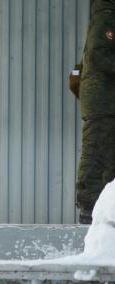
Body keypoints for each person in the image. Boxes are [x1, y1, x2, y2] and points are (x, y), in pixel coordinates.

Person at [75, 0, 115, 224]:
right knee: (97, 153)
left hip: (107, 100)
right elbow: (100, 54)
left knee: (108, 157)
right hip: (101, 100)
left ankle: (104, 211)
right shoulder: (106, 16)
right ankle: (89, 209)